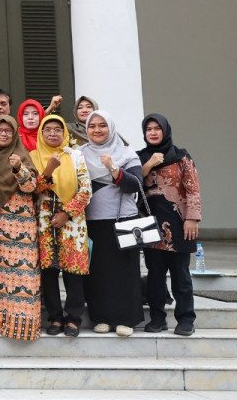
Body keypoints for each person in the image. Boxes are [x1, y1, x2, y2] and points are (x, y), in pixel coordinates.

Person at [81, 110, 143, 337]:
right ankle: (102, 317)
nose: (97, 130)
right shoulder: (80, 154)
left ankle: (127, 318)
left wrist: (113, 169)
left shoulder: (126, 154)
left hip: (123, 220)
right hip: (92, 221)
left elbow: (135, 184)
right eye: (92, 126)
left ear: (111, 128)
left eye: (102, 125)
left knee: (125, 270)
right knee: (98, 270)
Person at [139, 113, 202, 337]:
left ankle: (185, 319)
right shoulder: (140, 158)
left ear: (165, 130)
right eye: (149, 129)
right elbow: (133, 183)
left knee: (181, 276)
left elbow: (193, 188)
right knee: (155, 276)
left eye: (157, 128)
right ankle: (157, 319)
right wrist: (148, 165)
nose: (153, 132)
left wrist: (192, 218)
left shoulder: (181, 156)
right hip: (151, 227)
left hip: (179, 226)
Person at [0, 116, 41, 341]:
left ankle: (21, 327)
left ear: (14, 133)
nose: (3, 134)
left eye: (8, 131)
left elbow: (31, 186)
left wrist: (19, 168)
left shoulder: (23, 156)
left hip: (21, 228)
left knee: (22, 277)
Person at [31, 114, 91, 337]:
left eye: (58, 129)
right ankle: (55, 318)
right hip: (44, 219)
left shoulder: (76, 155)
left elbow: (86, 189)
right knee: (48, 270)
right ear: (41, 133)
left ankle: (74, 318)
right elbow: (32, 189)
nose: (53, 133)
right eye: (48, 130)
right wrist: (47, 170)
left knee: (73, 270)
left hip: (72, 220)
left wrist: (67, 213)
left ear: (65, 133)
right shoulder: (34, 156)